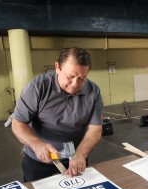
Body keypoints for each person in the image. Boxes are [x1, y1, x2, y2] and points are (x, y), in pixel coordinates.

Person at [11, 47, 103, 182]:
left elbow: (95, 128)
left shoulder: (93, 91)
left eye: (82, 78)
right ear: (57, 67)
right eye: (70, 77)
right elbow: (18, 123)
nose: (75, 84)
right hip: (39, 161)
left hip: (76, 159)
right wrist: (36, 144)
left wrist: (81, 154)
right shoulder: (37, 88)